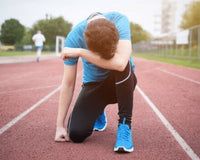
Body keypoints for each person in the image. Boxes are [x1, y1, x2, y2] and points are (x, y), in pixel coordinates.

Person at [55, 12, 137, 153]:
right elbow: (68, 84)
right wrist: (59, 126)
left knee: (123, 64)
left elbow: (120, 64)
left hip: (120, 83)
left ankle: (124, 126)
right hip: (93, 85)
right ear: (87, 41)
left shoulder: (120, 21)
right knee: (76, 134)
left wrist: (81, 52)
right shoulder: (74, 38)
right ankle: (98, 111)